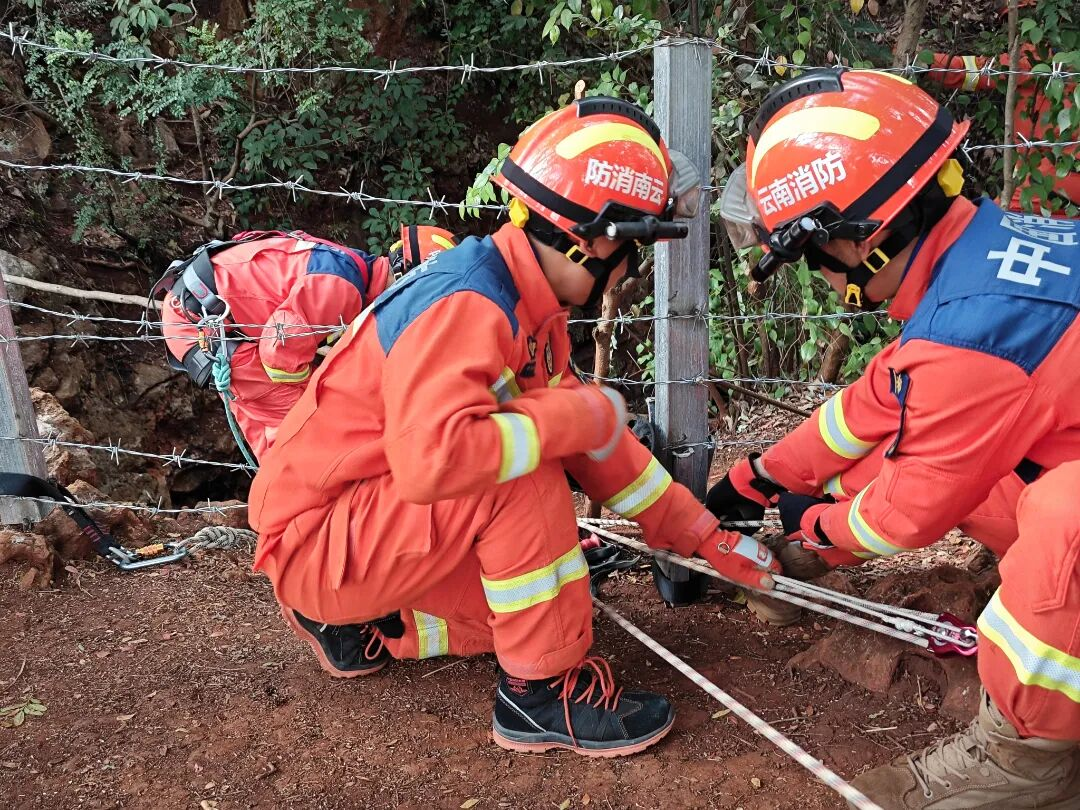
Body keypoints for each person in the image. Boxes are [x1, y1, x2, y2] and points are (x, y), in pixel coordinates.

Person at [246, 97, 781, 758]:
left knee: (541, 597)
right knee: (520, 465)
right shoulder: (470, 305)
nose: (632, 269)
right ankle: (540, 695)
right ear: (597, 239)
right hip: (323, 538)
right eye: (634, 248)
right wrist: (574, 414)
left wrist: (698, 533)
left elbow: (597, 440)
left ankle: (366, 623)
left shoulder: (521, 297)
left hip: (348, 529)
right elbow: (436, 461)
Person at [712, 68, 1080, 808]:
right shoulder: (981, 265)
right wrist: (760, 478)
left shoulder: (969, 333)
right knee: (990, 478)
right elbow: (877, 407)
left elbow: (906, 515)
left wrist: (808, 532)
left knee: (1063, 521)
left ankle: (1027, 760)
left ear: (858, 243)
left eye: (810, 256)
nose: (818, 278)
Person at [154, 224, 456, 460]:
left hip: (203, 314)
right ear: (409, 280)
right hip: (205, 324)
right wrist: (314, 391)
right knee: (309, 434)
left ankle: (279, 518)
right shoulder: (343, 288)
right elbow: (277, 352)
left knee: (272, 440)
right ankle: (305, 516)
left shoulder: (350, 270)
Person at [922, 0, 1078, 215]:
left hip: (1053, 169)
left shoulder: (1037, 56)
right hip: (1059, 165)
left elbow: (979, 72)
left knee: (996, 222)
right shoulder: (1065, 53)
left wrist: (928, 63)